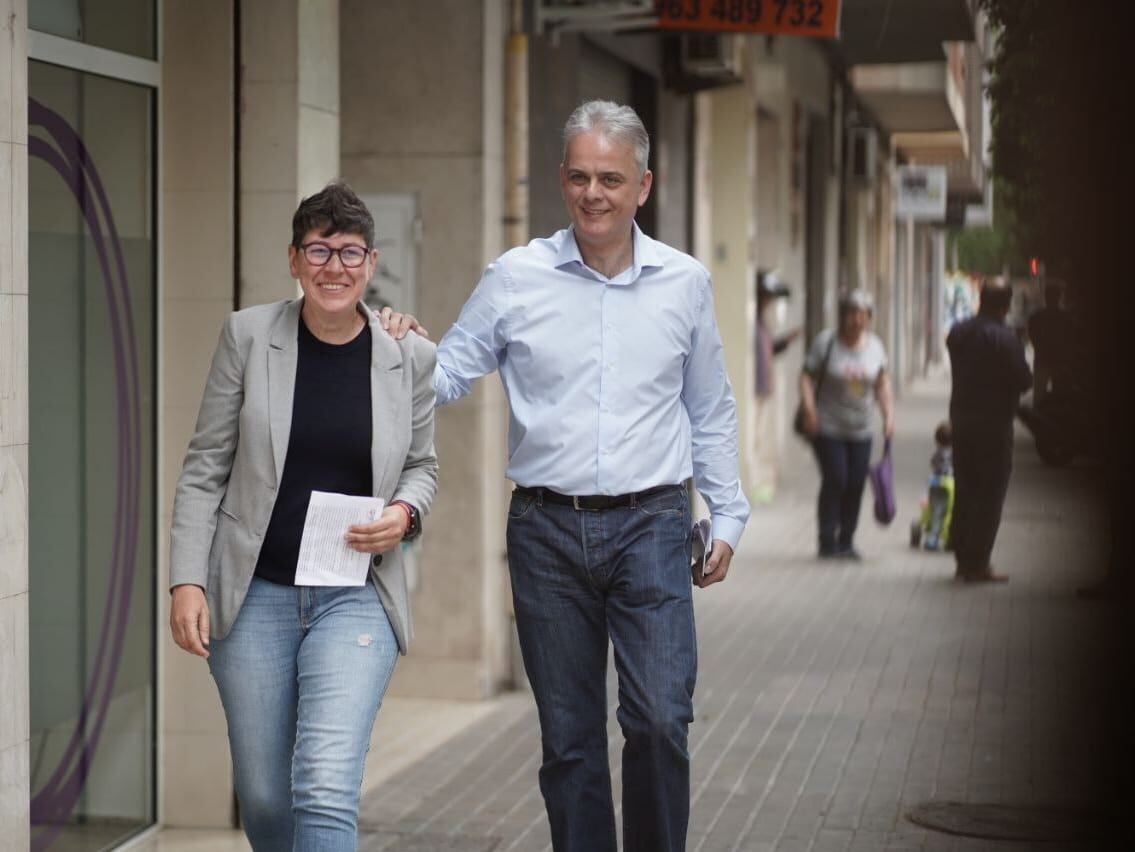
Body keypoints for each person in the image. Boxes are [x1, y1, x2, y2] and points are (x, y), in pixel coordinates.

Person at [384, 100, 749, 852]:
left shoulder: (684, 284)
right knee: (570, 742)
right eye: (580, 176)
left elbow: (710, 408)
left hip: (652, 524)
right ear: (561, 179)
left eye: (611, 179)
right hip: (545, 531)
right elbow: (449, 373)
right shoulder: (515, 277)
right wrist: (402, 341)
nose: (594, 193)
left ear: (643, 185)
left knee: (657, 721)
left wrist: (729, 513)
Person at [168, 183, 438, 851]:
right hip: (255, 592)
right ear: (293, 259)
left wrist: (403, 513)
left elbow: (423, 466)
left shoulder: (409, 357)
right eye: (318, 250)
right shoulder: (249, 337)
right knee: (264, 794)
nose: (334, 268)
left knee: (321, 785)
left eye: (349, 253)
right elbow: (204, 468)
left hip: (356, 597)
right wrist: (186, 581)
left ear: (371, 264)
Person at [797, 289, 895, 559]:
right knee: (836, 478)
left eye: (860, 314)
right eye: (850, 313)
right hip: (828, 426)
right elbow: (806, 377)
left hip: (862, 428)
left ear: (868, 318)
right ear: (842, 316)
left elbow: (882, 384)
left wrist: (889, 416)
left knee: (855, 484)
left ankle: (847, 541)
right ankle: (827, 540)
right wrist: (810, 409)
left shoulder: (875, 347)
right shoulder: (826, 343)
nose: (855, 319)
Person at [946, 278, 1032, 582]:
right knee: (990, 492)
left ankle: (962, 559)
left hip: (962, 421)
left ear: (980, 300)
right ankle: (978, 562)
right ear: (1006, 306)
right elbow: (1024, 380)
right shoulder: (1005, 339)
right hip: (994, 427)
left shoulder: (958, 333)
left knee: (966, 488)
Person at [753, 269, 802, 503]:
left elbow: (770, 349)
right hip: (756, 390)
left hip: (764, 389)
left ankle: (763, 484)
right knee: (757, 438)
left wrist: (786, 341)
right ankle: (758, 484)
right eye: (767, 298)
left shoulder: (763, 323)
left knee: (762, 438)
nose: (770, 303)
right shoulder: (753, 323)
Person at [1027, 278, 1073, 404]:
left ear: (1045, 297)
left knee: (1039, 396)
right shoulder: (1066, 318)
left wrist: (1040, 347)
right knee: (1061, 395)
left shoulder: (1036, 317)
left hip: (1042, 359)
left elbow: (1032, 337)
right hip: (1060, 360)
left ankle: (1038, 417)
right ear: (1059, 297)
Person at [922, 421, 955, 551]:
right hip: (951, 487)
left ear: (937, 440)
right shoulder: (955, 454)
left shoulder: (938, 453)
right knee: (949, 512)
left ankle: (933, 537)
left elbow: (934, 465)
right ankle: (949, 538)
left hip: (938, 486)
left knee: (937, 511)